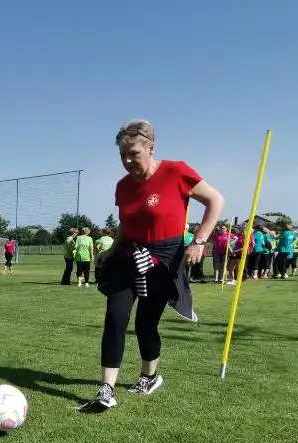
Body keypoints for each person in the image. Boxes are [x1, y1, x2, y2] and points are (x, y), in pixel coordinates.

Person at [83, 119, 224, 410]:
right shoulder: (122, 187)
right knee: (115, 316)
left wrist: (199, 241)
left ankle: (150, 376)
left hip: (163, 259)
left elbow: (215, 200)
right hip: (129, 256)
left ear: (151, 147)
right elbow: (126, 224)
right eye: (123, 156)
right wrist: (112, 251)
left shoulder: (176, 171)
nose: (127, 161)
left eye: (133, 154)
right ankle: (106, 388)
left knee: (145, 323)